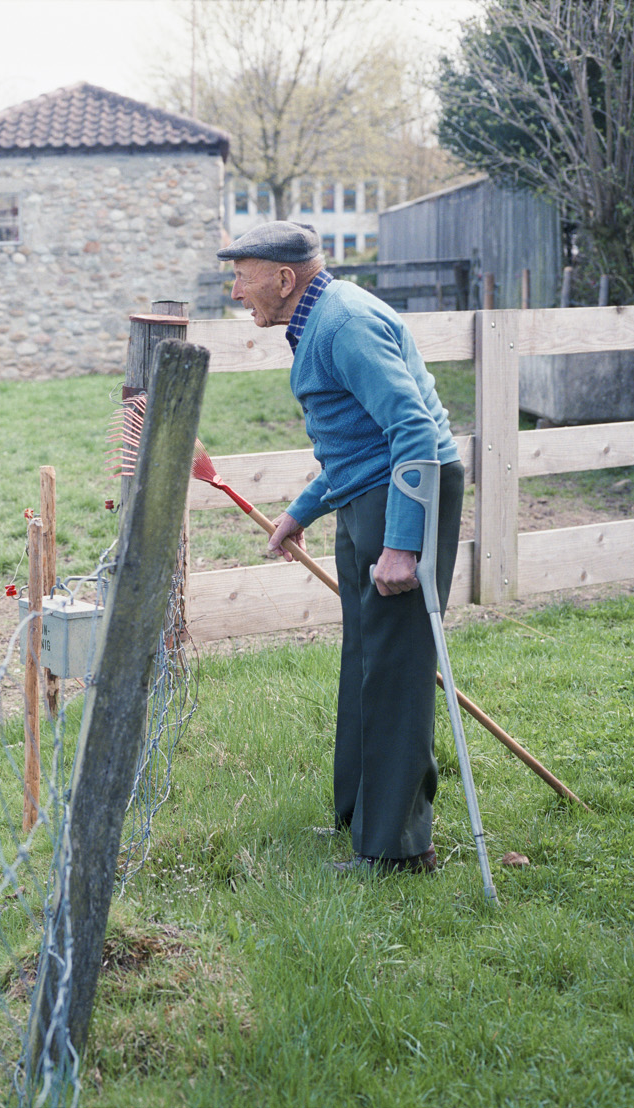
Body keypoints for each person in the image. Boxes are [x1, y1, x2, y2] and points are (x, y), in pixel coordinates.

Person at [219, 221, 464, 874]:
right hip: (372, 489)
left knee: (395, 670)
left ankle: (398, 850)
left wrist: (403, 547)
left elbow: (411, 429)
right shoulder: (318, 318)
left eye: (243, 276)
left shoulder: (345, 322)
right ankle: (363, 820)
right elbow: (359, 440)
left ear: (282, 278)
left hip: (408, 492)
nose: (236, 290)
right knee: (367, 658)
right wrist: (301, 511)